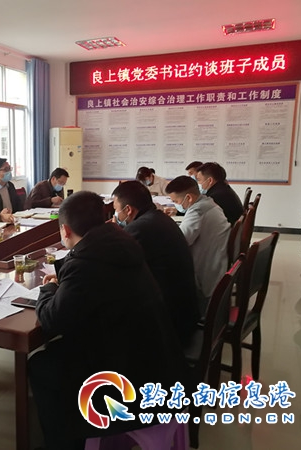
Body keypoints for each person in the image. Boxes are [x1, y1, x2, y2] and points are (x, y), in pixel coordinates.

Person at [28, 191, 189, 450]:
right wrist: (63, 281)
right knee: (59, 352)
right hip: (160, 361)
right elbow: (88, 276)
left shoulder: (85, 263)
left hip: (130, 381)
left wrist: (47, 290)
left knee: (41, 365)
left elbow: (51, 320)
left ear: (65, 230)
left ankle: (64, 443)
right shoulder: (121, 241)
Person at [111, 180, 199, 343]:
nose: (115, 216)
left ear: (128, 209)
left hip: (171, 327)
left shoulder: (140, 228)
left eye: (116, 210)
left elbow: (111, 265)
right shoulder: (158, 218)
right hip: (184, 314)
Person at [166, 176, 230, 314]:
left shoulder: (197, 211)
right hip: (217, 262)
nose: (175, 204)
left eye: (175, 201)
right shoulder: (208, 202)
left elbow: (180, 242)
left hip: (206, 275)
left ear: (188, 197)